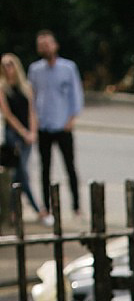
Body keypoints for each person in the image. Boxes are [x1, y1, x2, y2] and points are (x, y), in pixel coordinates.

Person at [27, 30, 83, 219]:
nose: (45, 48)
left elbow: (76, 95)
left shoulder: (68, 68)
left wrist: (71, 120)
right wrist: (34, 122)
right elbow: (32, 98)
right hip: (44, 126)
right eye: (41, 45)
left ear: (55, 45)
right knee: (45, 168)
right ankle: (47, 207)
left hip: (63, 125)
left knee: (70, 166)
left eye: (48, 44)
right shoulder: (35, 70)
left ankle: (76, 206)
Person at [0, 53, 43, 224]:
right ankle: (37, 209)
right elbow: (8, 115)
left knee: (20, 173)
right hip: (13, 134)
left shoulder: (26, 86)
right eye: (4, 65)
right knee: (21, 172)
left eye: (10, 64)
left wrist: (32, 132)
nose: (7, 68)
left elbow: (32, 111)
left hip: (28, 134)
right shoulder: (2, 88)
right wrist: (23, 132)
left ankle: (13, 210)